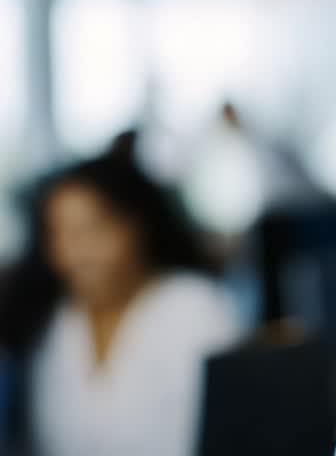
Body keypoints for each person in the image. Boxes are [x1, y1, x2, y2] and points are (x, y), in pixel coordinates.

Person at [0, 147, 241, 456]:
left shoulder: (193, 308)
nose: (75, 254)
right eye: (60, 235)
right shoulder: (51, 320)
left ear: (137, 227)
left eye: (93, 230)